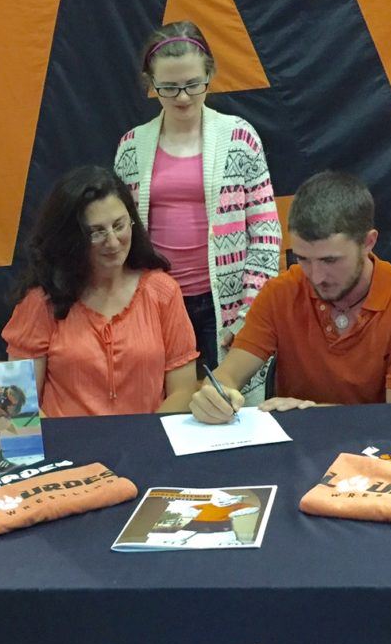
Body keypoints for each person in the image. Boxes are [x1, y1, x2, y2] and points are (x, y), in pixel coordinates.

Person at [189, 171, 391, 424]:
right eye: (303, 259)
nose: (317, 276)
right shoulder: (281, 292)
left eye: (329, 260)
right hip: (294, 448)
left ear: (368, 242)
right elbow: (226, 378)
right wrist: (212, 398)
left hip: (373, 452)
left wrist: (318, 414)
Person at [114, 20, 280, 381]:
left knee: (228, 406)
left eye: (193, 84)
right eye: (169, 88)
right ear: (150, 85)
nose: (183, 97)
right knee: (165, 408)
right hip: (156, 304)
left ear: (210, 74)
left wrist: (250, 314)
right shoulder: (131, 147)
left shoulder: (240, 137)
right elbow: (119, 238)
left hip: (227, 307)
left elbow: (266, 236)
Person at [2, 166, 198, 417]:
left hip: (148, 445)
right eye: (96, 232)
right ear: (70, 238)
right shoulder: (42, 300)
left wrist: (147, 441)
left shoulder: (163, 292)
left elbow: (182, 392)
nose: (113, 242)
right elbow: (19, 399)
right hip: (68, 450)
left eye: (119, 225)